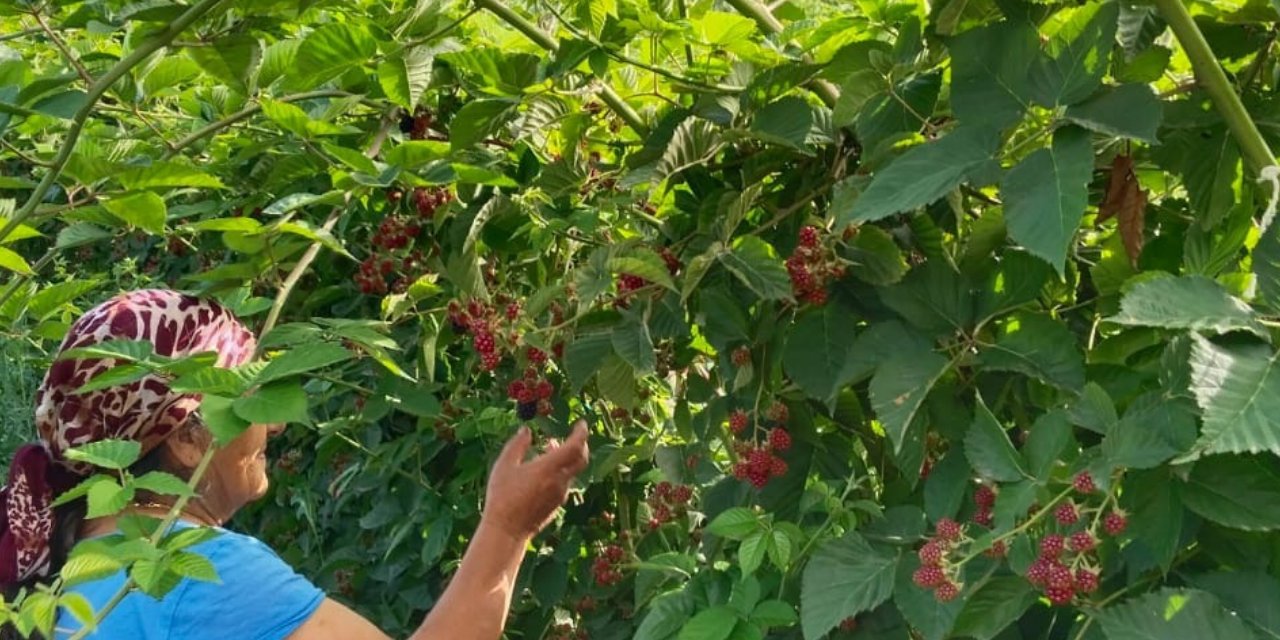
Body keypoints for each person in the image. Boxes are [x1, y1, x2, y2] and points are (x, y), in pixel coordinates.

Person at [0, 289, 590, 639]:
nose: (275, 423)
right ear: (186, 439)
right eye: (251, 398)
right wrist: (508, 527)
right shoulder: (195, 571)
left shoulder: (72, 562)